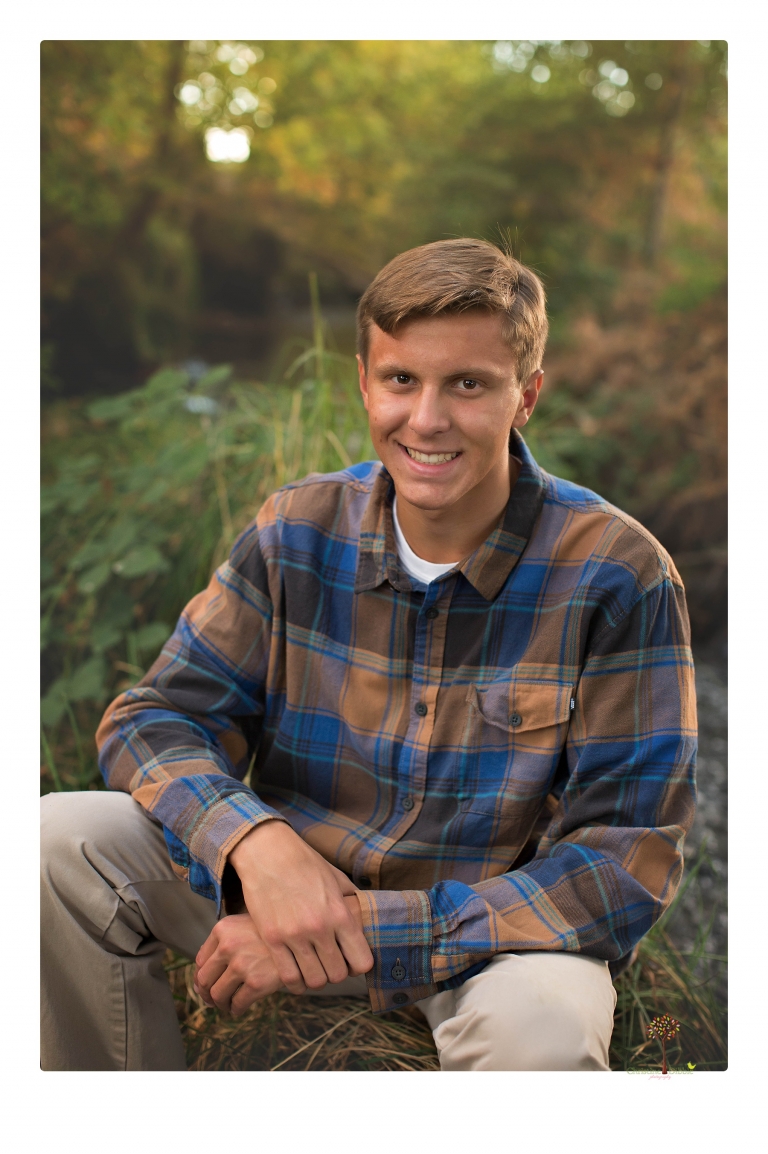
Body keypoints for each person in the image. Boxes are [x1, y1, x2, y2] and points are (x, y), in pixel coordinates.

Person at [40, 238, 697, 1071]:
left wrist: (365, 933)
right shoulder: (297, 529)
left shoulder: (619, 574)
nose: (426, 419)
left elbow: (623, 864)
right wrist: (257, 846)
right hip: (281, 894)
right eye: (401, 381)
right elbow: (156, 718)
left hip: (492, 946)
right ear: (364, 381)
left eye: (468, 384)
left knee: (548, 1034)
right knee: (52, 843)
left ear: (525, 397)